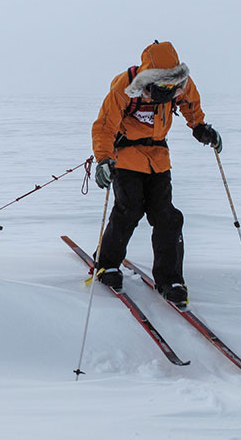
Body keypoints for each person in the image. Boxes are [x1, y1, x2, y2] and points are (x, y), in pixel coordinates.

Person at [91, 41, 222, 307]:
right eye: (162, 86)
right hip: (126, 156)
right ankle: (107, 265)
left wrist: (200, 127)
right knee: (129, 211)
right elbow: (105, 125)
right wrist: (104, 159)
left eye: (172, 87)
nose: (168, 91)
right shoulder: (123, 87)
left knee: (167, 217)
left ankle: (171, 280)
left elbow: (191, 104)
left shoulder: (180, 83)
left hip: (159, 159)